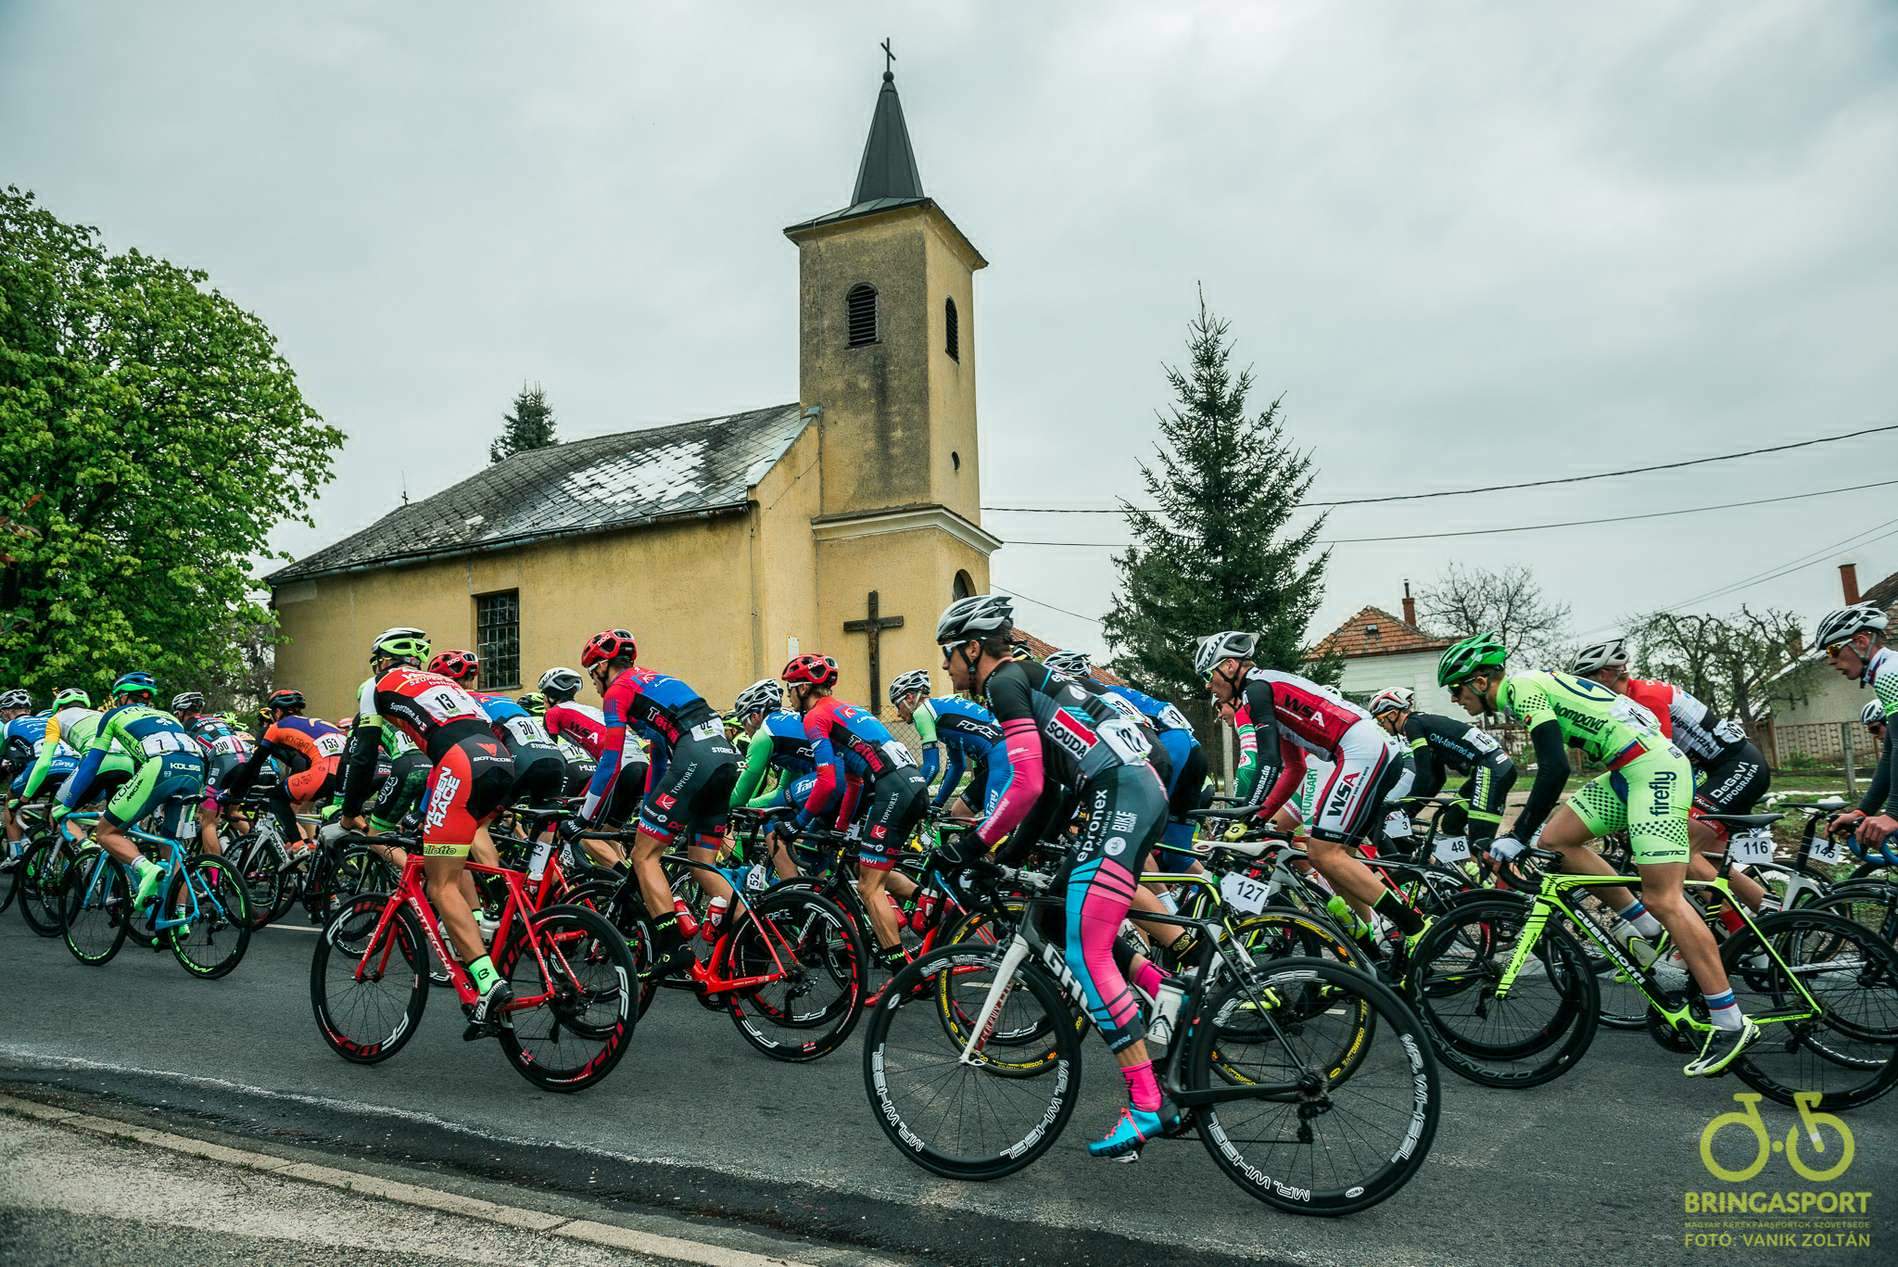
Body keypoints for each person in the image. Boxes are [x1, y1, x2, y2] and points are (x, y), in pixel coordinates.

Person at [1437, 631, 1761, 1076]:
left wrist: (1518, 833)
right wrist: (1526, 834)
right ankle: (1646, 931)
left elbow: (1554, 768)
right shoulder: (1527, 689)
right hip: (1629, 771)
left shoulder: (1521, 689)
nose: (1455, 699)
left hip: (1652, 771)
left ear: (1479, 681)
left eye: (1456, 689)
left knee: (1665, 897)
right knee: (1556, 840)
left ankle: (1729, 1021)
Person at [934, 595, 1174, 1158]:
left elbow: (1027, 784)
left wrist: (971, 845)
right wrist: (1006, 858)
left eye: (949, 653)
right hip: (1135, 786)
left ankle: (1146, 1102)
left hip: (1121, 791)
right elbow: (1051, 798)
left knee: (1086, 949)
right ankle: (1166, 992)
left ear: (974, 649)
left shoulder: (1004, 683)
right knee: (1061, 910)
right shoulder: (1031, 678)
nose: (946, 665)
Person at [1197, 631, 1427, 948]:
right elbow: (1294, 769)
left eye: (1208, 675)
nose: (1208, 686)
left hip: (1360, 751)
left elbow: (1268, 762)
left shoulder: (1256, 690)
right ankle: (1372, 940)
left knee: (1322, 852)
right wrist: (1259, 817)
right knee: (1336, 864)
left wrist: (1245, 816)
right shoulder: (1265, 688)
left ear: (1230, 666)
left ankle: (1416, 928)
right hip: (1367, 749)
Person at [337, 628, 517, 1033]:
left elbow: (363, 756)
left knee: (440, 884)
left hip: (460, 763)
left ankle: (487, 982)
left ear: (382, 660)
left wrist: (350, 813)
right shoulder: (446, 685)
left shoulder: (376, 684)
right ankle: (487, 922)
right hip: (502, 762)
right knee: (455, 852)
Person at [565, 629, 740, 975]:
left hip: (695, 757)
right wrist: (649, 812)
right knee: (702, 863)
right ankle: (753, 937)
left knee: (644, 855)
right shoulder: (655, 682)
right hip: (724, 759)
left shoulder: (618, 691)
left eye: (592, 674)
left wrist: (584, 817)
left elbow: (610, 760)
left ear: (603, 667)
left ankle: (672, 947)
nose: (594, 683)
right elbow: (658, 759)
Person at [1569, 637, 1771, 919]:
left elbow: (1655, 762)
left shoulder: (1645, 698)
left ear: (1604, 674)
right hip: (1720, 769)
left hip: (1737, 768)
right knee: (1710, 865)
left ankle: (1740, 930)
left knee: (1675, 850)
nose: (1584, 690)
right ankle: (1775, 916)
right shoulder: (1633, 696)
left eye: (1585, 682)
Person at [783, 653, 928, 985]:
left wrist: (798, 823)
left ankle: (903, 975)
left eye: (790, 688)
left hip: (892, 789)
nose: (788, 696)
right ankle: (936, 907)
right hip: (912, 784)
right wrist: (841, 828)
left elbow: (827, 781)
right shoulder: (845, 710)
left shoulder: (815, 717)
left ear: (804, 688)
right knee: (874, 868)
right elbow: (853, 781)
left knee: (868, 886)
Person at [56, 672, 208, 915]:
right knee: (171, 846)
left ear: (122, 697)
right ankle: (178, 917)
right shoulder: (169, 716)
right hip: (196, 769)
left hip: (161, 766)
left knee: (106, 832)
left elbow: (91, 764)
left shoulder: (113, 715)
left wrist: (68, 803)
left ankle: (146, 868)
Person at [1045, 650, 1208, 869]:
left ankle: (1154, 893)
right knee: (1177, 857)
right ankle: (1217, 889)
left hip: (1168, 746)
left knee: (1125, 838)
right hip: (1191, 750)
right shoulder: (1111, 691)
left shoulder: (1081, 696)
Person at [1366, 686, 1515, 857]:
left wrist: (1406, 809)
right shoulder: (1423, 724)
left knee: (1480, 843)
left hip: (1490, 768)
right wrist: (1411, 810)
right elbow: (1437, 778)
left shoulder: (1412, 725)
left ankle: (1507, 872)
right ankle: (1468, 871)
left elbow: (1423, 775)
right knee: (1451, 824)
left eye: (1381, 720)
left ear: (1392, 714)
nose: (1382, 726)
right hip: (1492, 767)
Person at [429, 650, 566, 811]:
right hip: (555, 760)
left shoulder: (462, 702)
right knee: (543, 820)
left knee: (477, 816)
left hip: (523, 762)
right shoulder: (501, 697)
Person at [539, 665, 647, 865]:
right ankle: (630, 877)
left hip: (618, 766)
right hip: (640, 764)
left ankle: (620, 877)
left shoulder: (554, 713)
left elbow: (549, 755)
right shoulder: (590, 709)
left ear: (550, 697)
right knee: (608, 833)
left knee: (583, 833)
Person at [1813, 603, 1897, 848]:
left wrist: (1893, 814)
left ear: (1861, 641)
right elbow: (1890, 751)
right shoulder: (1888, 670)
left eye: (1833, 650)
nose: (1830, 661)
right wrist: (1863, 811)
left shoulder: (1890, 673)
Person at [215, 690, 344, 847]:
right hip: (348, 774)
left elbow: (254, 765)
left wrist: (232, 792)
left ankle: (297, 845)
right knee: (327, 830)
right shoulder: (319, 723)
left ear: (277, 711)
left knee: (276, 798)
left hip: (323, 772)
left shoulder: (276, 727)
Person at [886, 668, 1007, 818]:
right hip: (999, 758)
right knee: (959, 813)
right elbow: (957, 766)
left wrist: (905, 797)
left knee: (993, 826)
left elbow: (931, 766)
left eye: (898, 705)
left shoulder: (922, 713)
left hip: (1002, 758)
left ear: (909, 697)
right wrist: (937, 804)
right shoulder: (941, 712)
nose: (898, 713)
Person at [170, 691, 249, 857]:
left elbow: (188, 760)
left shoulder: (185, 728)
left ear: (181, 712)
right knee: (232, 813)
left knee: (208, 820)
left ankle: (215, 870)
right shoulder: (218, 721)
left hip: (224, 763)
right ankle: (260, 849)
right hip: (247, 761)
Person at [2, 689, 78, 860]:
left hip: (45, 767)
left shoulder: (8, 726)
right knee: (58, 814)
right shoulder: (49, 720)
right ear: (28, 710)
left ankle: (16, 854)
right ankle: (66, 861)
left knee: (11, 800)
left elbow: (7, 757)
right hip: (74, 766)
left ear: (6, 712)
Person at [1833, 700, 1890, 838]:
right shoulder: (1893, 749)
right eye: (1871, 731)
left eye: (1875, 729)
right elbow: (1884, 779)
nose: (1876, 736)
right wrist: (1860, 813)